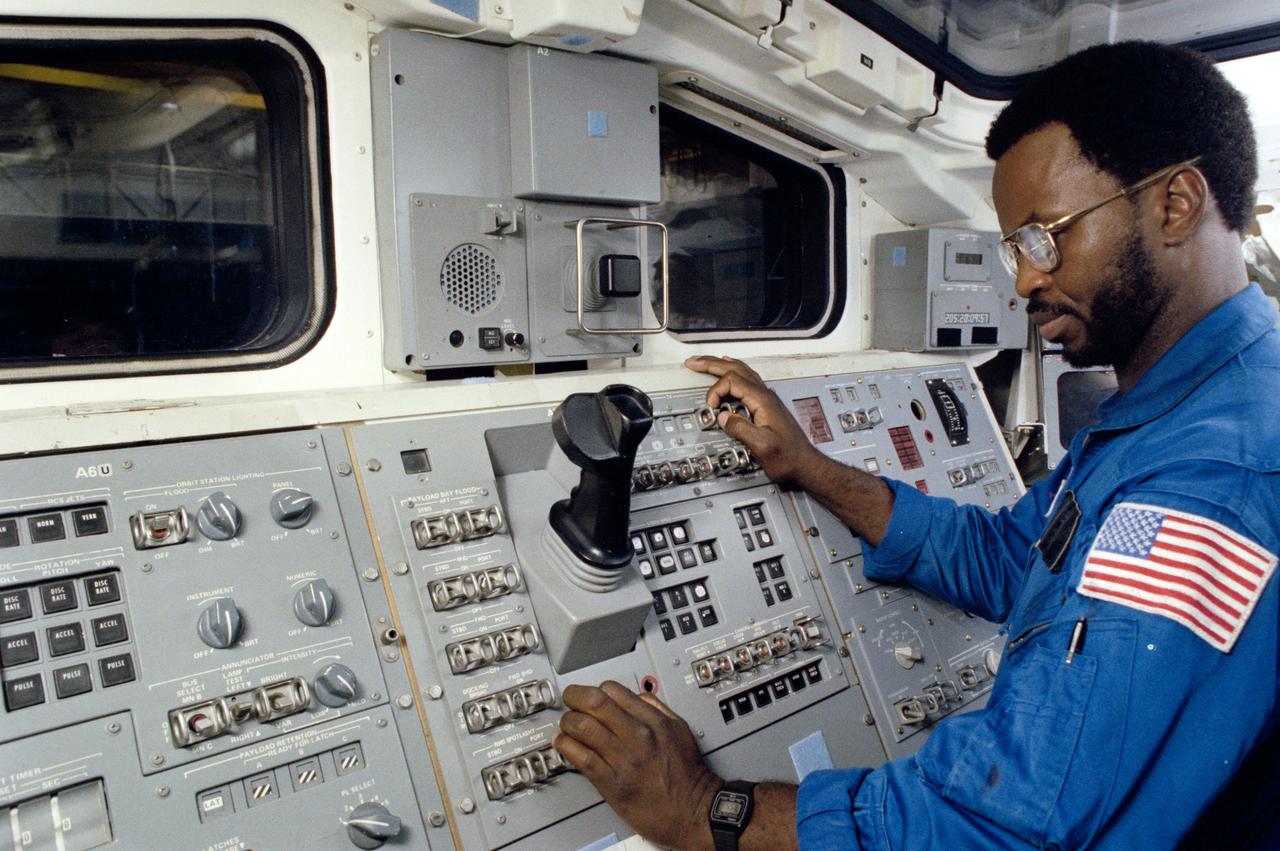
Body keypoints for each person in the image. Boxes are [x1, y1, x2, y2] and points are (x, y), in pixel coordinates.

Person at [552, 40, 1279, 850]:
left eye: (1044, 237)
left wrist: (703, 810)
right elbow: (1016, 557)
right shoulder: (1177, 408)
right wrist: (813, 468)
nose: (1024, 281)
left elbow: (1010, 825)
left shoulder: (1210, 480)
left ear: (1175, 204)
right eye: (1014, 248)